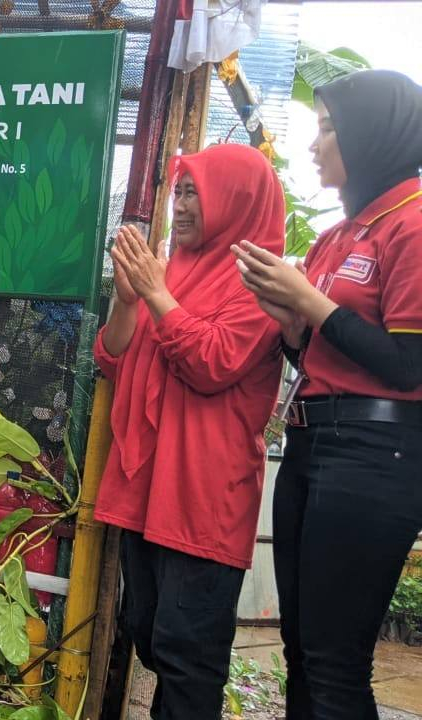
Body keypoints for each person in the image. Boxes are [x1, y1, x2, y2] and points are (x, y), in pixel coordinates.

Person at [233, 69, 422, 718]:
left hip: (379, 452)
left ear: (374, 133)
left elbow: (407, 365)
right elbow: (317, 353)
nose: (314, 145)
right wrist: (291, 323)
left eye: (328, 128)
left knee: (336, 662)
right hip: (315, 440)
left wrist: (309, 302)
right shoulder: (341, 235)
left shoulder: (415, 224)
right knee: (302, 650)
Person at [94, 143, 285, 718]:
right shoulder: (171, 269)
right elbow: (113, 359)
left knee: (188, 657)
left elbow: (213, 363)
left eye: (196, 191)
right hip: (147, 491)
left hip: (202, 498)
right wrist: (128, 301)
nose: (180, 204)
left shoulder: (262, 281)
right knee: (147, 630)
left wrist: (155, 293)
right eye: (178, 190)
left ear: (236, 200)